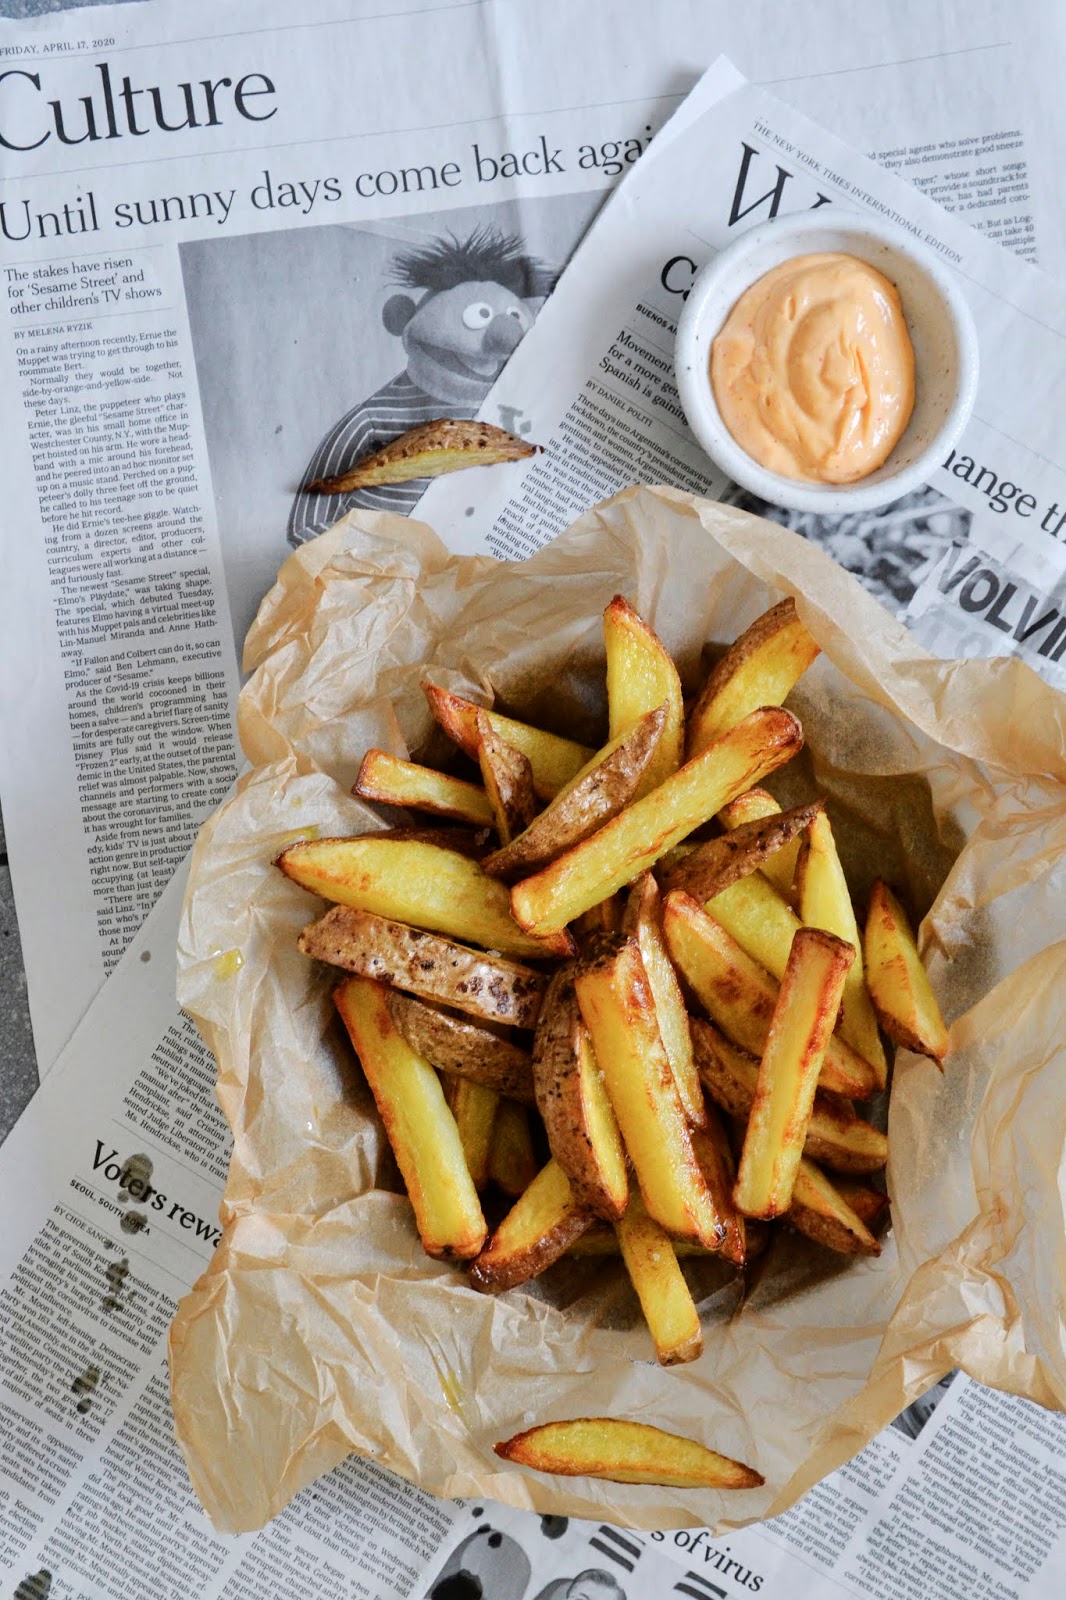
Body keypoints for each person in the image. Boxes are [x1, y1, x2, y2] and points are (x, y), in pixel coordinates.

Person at [288, 224, 553, 544]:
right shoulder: (377, 416)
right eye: (479, 316)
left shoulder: (505, 415)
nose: (502, 336)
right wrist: (332, 553)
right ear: (401, 316)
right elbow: (308, 519)